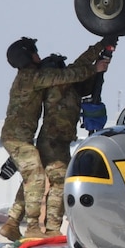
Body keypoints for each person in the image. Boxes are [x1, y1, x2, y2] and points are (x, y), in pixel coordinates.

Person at [0, 37, 112, 242]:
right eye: (34, 52)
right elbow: (70, 73)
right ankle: (36, 227)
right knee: (39, 178)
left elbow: (76, 67)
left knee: (35, 177)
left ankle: (13, 223)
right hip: (26, 139)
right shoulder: (34, 77)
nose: (38, 55)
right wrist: (94, 69)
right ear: (27, 56)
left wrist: (101, 46)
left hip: (25, 139)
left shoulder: (33, 77)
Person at [32, 38, 116, 231]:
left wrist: (102, 47)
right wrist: (95, 68)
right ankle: (52, 228)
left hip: (60, 141)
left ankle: (46, 225)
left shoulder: (69, 85)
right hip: (52, 140)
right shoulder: (56, 82)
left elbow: (81, 66)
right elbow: (78, 69)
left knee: (56, 182)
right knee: (60, 183)